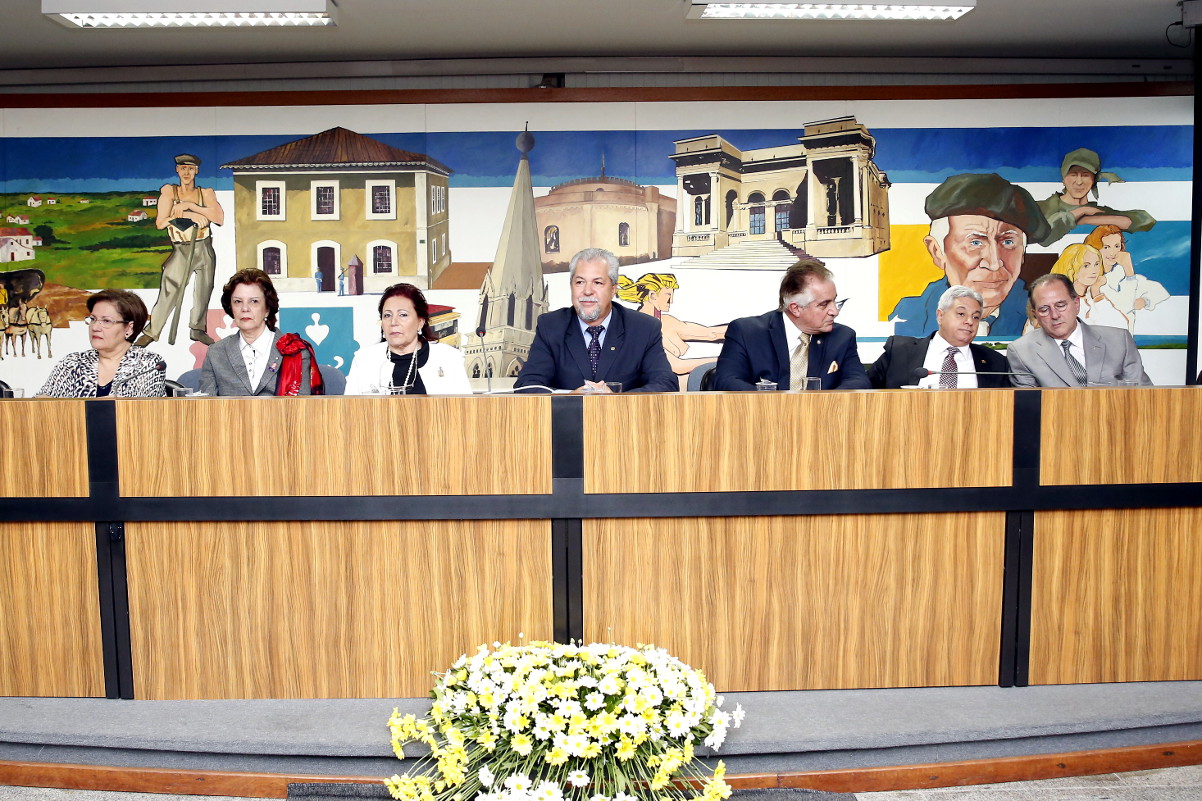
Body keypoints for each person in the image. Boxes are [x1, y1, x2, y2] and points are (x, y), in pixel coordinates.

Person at [890, 173, 1050, 338]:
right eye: (975, 243)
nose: (994, 263)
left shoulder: (1041, 317)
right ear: (937, 252)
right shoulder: (907, 318)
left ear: (1022, 252)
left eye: (1008, 242)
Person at [515, 248, 677, 393]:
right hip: (567, 422)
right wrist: (568, 397)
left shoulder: (643, 328)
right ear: (571, 286)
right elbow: (527, 385)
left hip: (623, 422)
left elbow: (665, 383)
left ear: (613, 289)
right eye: (580, 282)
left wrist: (615, 399)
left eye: (597, 283)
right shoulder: (550, 326)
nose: (587, 291)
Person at [713, 258, 870, 391]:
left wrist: (824, 405)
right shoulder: (746, 333)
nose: (834, 311)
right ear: (795, 308)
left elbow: (859, 382)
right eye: (824, 304)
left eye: (834, 300)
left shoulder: (842, 337)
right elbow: (726, 381)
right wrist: (779, 407)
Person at [137, 154, 225, 347]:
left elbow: (218, 218)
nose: (187, 172)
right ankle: (152, 331)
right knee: (170, 288)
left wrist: (192, 207)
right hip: (181, 247)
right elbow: (161, 222)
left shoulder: (206, 193)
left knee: (204, 288)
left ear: (196, 171)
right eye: (183, 168)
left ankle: (197, 329)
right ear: (177, 170)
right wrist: (189, 216)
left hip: (203, 246)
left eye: (190, 168)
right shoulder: (170, 192)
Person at [1006, 273, 1151, 387]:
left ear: (1076, 304)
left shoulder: (1119, 340)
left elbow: (1144, 395)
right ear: (1035, 314)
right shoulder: (1021, 352)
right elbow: (1028, 406)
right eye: (1044, 309)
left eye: (1061, 305)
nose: (1055, 315)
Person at [199, 268, 322, 396]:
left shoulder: (295, 351)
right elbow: (207, 410)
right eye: (238, 302)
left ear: (267, 308)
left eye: (254, 301)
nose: (245, 308)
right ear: (231, 307)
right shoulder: (216, 353)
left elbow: (304, 410)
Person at [867, 285, 1010, 389]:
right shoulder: (899, 351)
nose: (970, 321)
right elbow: (865, 389)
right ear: (940, 316)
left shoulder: (995, 362)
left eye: (976, 317)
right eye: (961, 314)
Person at [345, 283, 472, 395]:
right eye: (387, 315)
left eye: (403, 315)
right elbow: (349, 414)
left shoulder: (449, 358)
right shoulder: (364, 360)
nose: (393, 322)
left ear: (420, 322)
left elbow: (465, 412)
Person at [37, 289, 164, 397]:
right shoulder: (73, 363)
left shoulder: (148, 364)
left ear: (129, 328)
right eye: (93, 319)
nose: (95, 327)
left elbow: (149, 416)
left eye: (106, 321)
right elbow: (43, 404)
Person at [616, 272, 726, 381]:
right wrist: (725, 360)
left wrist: (741, 328)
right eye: (668, 295)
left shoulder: (667, 321)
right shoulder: (639, 329)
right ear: (652, 296)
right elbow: (677, 366)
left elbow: (711, 334)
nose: (671, 301)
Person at [1036, 147, 1156, 247]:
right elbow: (1044, 238)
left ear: (1093, 180)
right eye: (1073, 175)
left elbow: (1145, 220)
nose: (1079, 182)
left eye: (1085, 175)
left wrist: (1085, 219)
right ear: (1063, 179)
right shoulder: (1039, 207)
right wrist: (1079, 212)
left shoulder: (1096, 211)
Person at [1083, 225, 1169, 330]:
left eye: (1117, 246)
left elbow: (1160, 291)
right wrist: (1129, 270)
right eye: (1106, 247)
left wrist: (1145, 300)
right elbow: (1124, 307)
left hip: (1126, 338)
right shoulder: (1092, 278)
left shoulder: (1120, 273)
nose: (1112, 252)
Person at [1050, 243, 1129, 330]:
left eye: (1096, 264)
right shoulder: (1061, 301)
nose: (1094, 271)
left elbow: (1122, 326)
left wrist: (1096, 292)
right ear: (1071, 268)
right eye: (1086, 266)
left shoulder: (1091, 298)